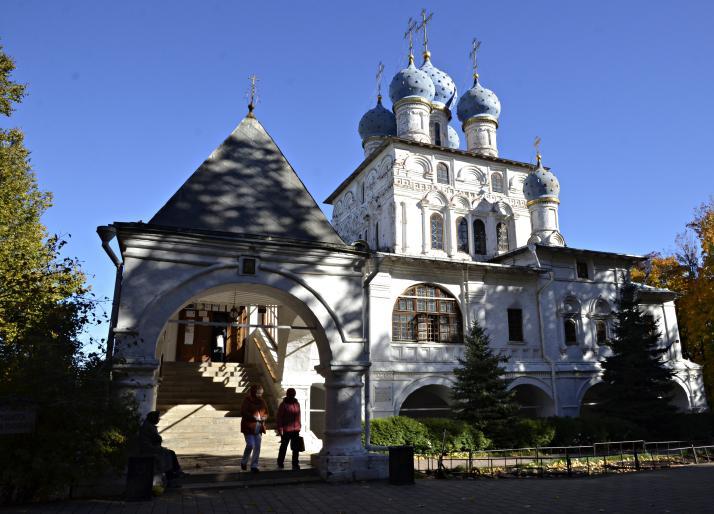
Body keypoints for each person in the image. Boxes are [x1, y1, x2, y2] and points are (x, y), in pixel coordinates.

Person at [138, 411, 185, 480]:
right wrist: (159, 447)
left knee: (169, 453)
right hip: (149, 450)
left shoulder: (149, 426)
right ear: (153, 418)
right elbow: (149, 443)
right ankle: (171, 473)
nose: (158, 420)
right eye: (157, 418)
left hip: (152, 448)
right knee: (168, 454)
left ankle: (174, 472)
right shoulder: (148, 427)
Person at [240, 384, 269, 472]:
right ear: (253, 392)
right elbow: (243, 412)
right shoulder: (247, 400)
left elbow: (267, 413)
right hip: (248, 426)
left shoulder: (262, 401)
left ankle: (254, 465)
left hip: (258, 427)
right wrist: (253, 417)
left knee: (257, 446)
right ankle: (244, 461)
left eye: (261, 393)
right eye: (258, 393)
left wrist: (264, 417)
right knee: (250, 445)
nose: (259, 395)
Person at [276, 387, 302, 470]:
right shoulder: (283, 405)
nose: (292, 395)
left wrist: (299, 425)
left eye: (293, 393)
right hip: (286, 430)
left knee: (296, 448)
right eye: (291, 394)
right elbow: (279, 417)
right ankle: (280, 462)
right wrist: (280, 429)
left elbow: (298, 415)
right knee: (284, 447)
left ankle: (295, 463)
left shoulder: (297, 403)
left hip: (296, 429)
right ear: (287, 394)